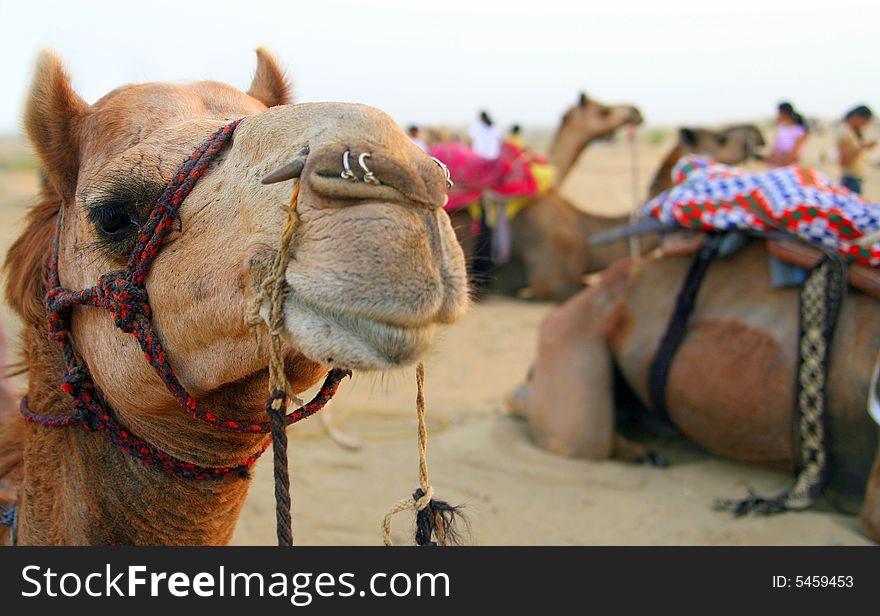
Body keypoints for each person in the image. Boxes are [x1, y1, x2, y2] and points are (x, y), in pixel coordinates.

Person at [837, 105, 875, 194]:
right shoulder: (846, 133)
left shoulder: (855, 132)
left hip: (856, 177)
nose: (865, 125)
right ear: (858, 117)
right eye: (865, 121)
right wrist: (862, 147)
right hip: (851, 178)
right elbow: (843, 161)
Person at [767, 102, 809, 168]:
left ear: (784, 114)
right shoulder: (781, 128)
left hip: (791, 167)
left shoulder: (799, 131)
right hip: (776, 167)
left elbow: (793, 156)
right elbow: (775, 149)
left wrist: (775, 160)